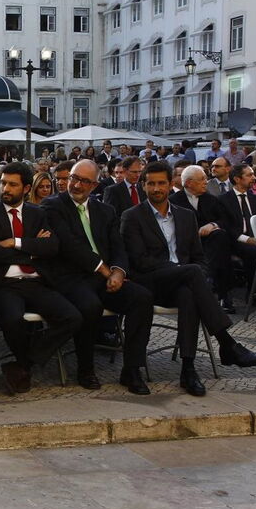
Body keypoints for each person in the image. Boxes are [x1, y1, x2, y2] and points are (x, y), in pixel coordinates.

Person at [121, 161, 256, 397]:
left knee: (190, 293)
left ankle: (188, 370)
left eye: (161, 183)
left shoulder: (186, 216)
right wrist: (184, 270)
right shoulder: (132, 216)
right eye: (151, 184)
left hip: (181, 282)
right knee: (192, 274)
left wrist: (189, 271)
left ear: (171, 184)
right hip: (149, 281)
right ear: (143, 185)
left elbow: (200, 258)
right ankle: (227, 344)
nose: (156, 188)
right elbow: (140, 261)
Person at [42, 160, 154, 393]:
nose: (75, 184)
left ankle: (132, 369)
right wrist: (105, 270)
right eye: (73, 178)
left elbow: (118, 247)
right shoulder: (52, 206)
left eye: (83, 181)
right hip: (70, 277)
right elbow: (69, 246)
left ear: (94, 185)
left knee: (141, 298)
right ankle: (86, 369)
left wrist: (119, 272)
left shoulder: (105, 210)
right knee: (90, 306)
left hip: (106, 278)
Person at [0, 162, 81, 394]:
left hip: (36, 282)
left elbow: (52, 246)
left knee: (72, 317)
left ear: (25, 188)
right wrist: (34, 248)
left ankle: (23, 364)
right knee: (13, 319)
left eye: (12, 185)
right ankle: (25, 364)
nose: (6, 189)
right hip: (5, 284)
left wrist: (16, 243)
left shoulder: (37, 213)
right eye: (3, 183)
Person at [170, 165, 236, 313]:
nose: (206, 182)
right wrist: (194, 232)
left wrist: (212, 225)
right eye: (201, 179)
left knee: (220, 237)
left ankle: (212, 281)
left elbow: (225, 220)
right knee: (221, 253)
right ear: (188, 183)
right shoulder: (173, 200)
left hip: (211, 242)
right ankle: (219, 291)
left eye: (205, 178)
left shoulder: (211, 199)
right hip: (185, 243)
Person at [217, 164, 256, 304]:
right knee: (253, 252)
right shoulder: (223, 200)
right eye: (249, 175)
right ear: (237, 179)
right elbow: (227, 226)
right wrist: (247, 239)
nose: (254, 177)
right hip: (235, 241)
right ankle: (252, 292)